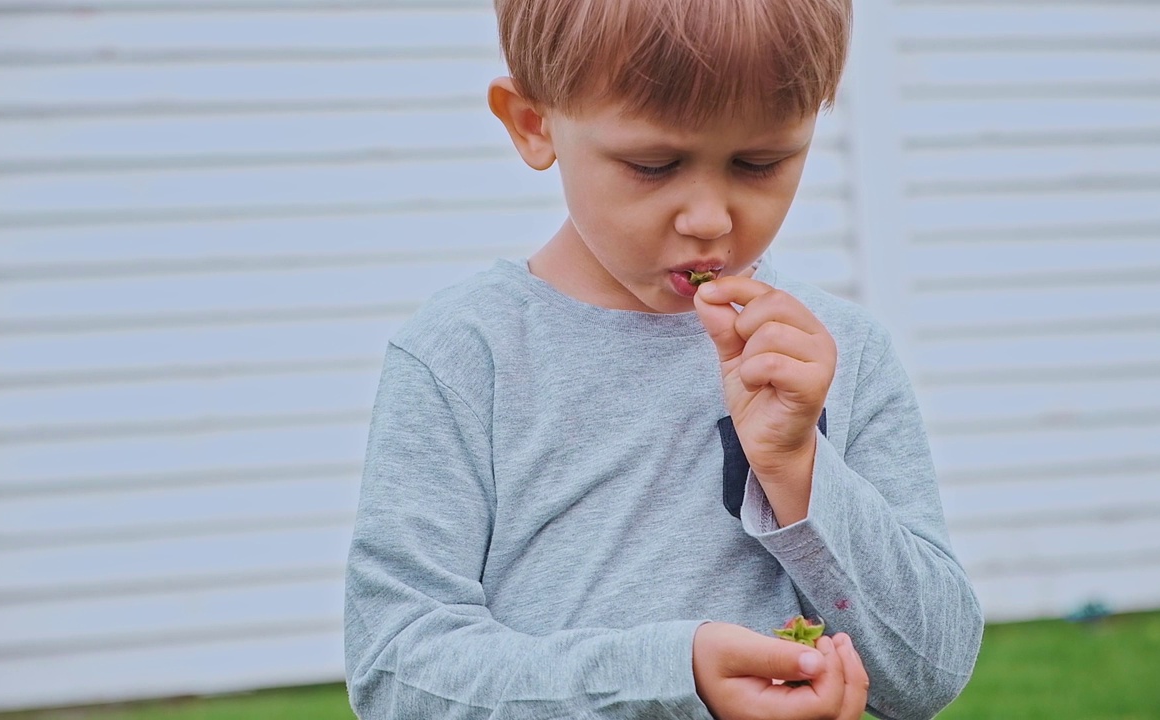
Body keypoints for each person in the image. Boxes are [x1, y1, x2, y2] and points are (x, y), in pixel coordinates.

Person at [344, 0, 984, 717]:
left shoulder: (839, 355)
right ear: (533, 123)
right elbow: (396, 673)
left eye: (761, 162)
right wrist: (671, 679)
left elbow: (929, 668)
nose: (709, 218)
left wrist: (799, 470)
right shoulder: (464, 359)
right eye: (653, 164)